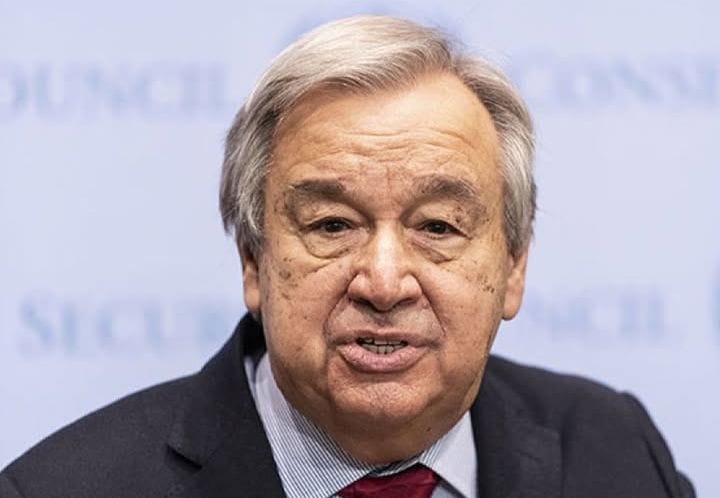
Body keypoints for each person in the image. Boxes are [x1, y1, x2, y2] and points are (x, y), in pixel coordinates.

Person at [0, 15, 694, 498]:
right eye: (332, 225)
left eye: (438, 226)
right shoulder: (61, 487)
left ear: (513, 266)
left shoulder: (617, 450)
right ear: (252, 261)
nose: (384, 283)